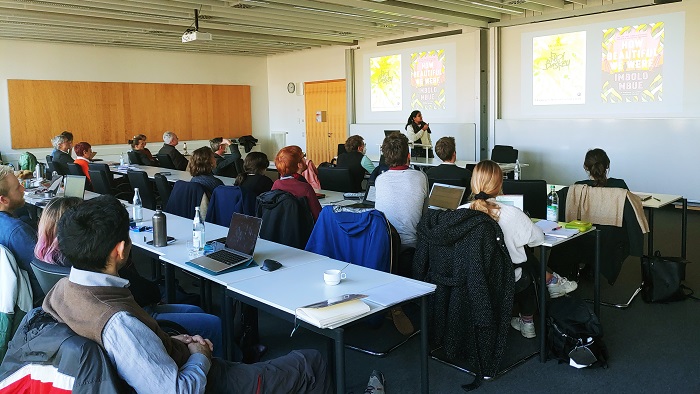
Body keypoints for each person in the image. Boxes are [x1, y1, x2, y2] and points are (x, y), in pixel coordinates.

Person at [42, 195, 332, 393]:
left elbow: (134, 353)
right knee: (311, 362)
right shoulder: (118, 322)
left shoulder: (61, 290)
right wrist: (200, 355)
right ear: (120, 250)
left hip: (173, 362)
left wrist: (167, 341)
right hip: (208, 382)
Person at [33, 197, 225, 357]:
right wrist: (200, 358)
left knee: (193, 308)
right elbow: (148, 296)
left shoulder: (62, 274)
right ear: (120, 249)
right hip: (143, 315)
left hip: (131, 316)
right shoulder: (104, 272)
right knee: (213, 323)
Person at [459, 161, 577, 338]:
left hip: (470, 277)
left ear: (473, 183)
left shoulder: (460, 212)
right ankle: (528, 320)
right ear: (500, 184)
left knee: (520, 259)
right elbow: (538, 238)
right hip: (507, 279)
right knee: (523, 260)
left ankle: (548, 283)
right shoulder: (512, 213)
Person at [548, 148, 629, 279]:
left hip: (578, 239)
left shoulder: (577, 188)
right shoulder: (619, 187)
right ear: (607, 165)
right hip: (609, 241)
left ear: (585, 167)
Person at [374, 132, 427, 280]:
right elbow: (424, 214)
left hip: (386, 246)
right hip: (412, 248)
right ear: (408, 157)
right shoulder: (420, 177)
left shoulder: (380, 180)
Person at [0, 165, 43, 301]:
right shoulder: (17, 231)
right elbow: (44, 271)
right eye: (18, 187)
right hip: (35, 299)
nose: (23, 189)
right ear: (3, 200)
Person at [272, 146, 322, 221]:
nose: (305, 159)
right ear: (299, 165)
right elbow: (319, 216)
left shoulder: (276, 184)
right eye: (303, 156)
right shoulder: (304, 187)